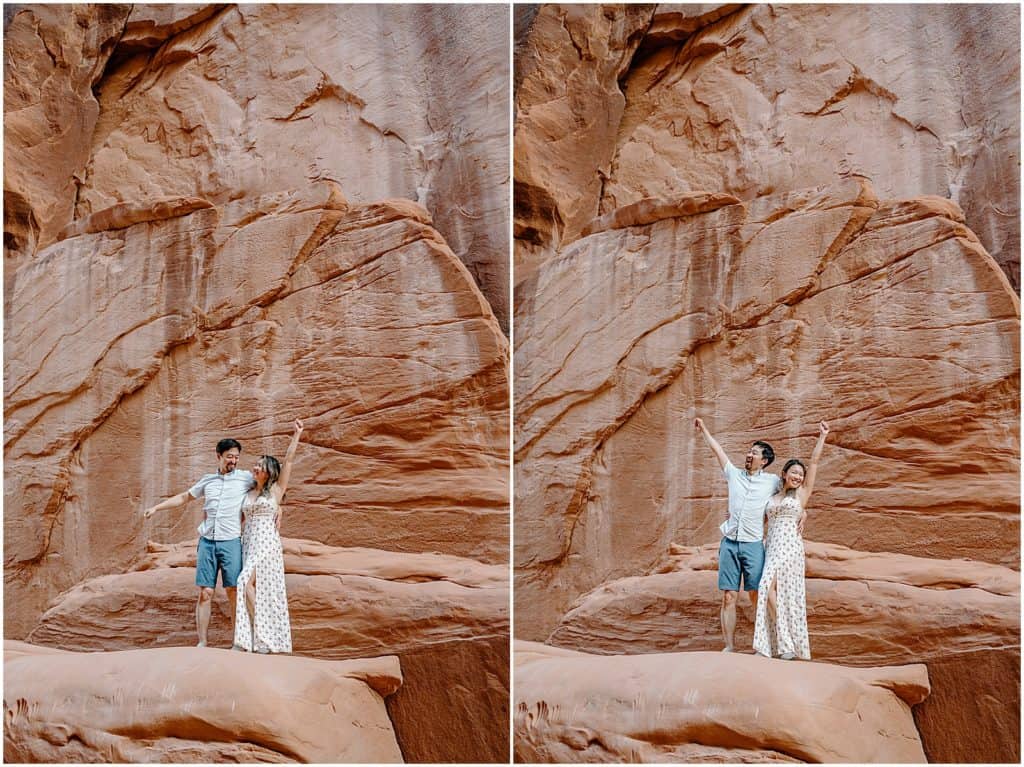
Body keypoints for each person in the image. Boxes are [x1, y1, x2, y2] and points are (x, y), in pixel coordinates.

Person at [144, 438, 254, 647]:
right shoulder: (208, 480)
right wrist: (157, 508)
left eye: (236, 457)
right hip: (207, 542)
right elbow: (185, 497)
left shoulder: (245, 478)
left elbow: (269, 485)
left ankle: (238, 641)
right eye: (229, 456)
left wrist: (278, 508)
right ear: (219, 456)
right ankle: (202, 642)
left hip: (231, 541)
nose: (233, 461)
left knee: (233, 591)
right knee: (206, 592)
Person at [695, 417, 782, 653]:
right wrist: (703, 429)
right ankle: (729, 646)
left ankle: (764, 644)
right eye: (748, 451)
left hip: (753, 545)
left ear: (764, 461)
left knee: (756, 595)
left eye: (754, 453)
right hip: (730, 543)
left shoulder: (772, 481)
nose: (748, 455)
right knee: (729, 596)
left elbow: (792, 493)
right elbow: (717, 450)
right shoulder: (734, 474)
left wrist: (801, 514)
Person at [753, 421, 830, 660]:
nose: (797, 476)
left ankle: (785, 644)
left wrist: (822, 437)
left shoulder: (801, 495)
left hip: (790, 548)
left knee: (769, 587)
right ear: (784, 474)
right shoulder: (772, 495)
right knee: (772, 591)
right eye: (794, 472)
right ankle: (781, 646)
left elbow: (814, 462)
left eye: (800, 474)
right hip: (771, 546)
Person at [233, 419, 303, 653]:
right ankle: (260, 640)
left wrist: (296, 435)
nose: (255, 468)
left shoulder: (276, 490)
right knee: (256, 588)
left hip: (266, 543)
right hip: (249, 542)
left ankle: (263, 636)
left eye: (259, 465)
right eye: (255, 464)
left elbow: (289, 461)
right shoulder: (247, 490)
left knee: (245, 581)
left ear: (269, 471)